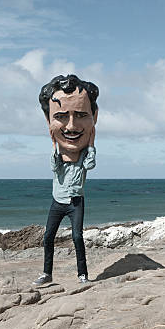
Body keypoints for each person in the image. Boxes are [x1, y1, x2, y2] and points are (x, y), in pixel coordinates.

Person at [32, 74, 99, 285]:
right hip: (57, 202)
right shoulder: (58, 159)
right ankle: (47, 273)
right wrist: (54, 146)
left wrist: (91, 142)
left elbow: (91, 164)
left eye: (80, 115)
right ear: (48, 121)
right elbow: (53, 166)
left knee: (77, 238)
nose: (71, 126)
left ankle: (83, 275)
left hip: (76, 202)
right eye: (61, 116)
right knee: (48, 238)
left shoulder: (83, 160)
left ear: (94, 116)